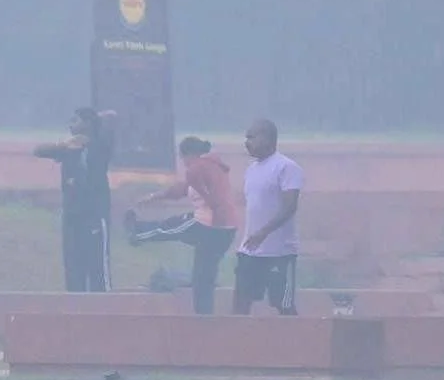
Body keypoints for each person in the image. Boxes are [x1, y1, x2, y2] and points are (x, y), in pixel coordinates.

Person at [123, 135, 241, 313]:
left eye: (182, 157)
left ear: (189, 154)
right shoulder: (212, 166)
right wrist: (154, 197)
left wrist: (215, 223)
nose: (182, 162)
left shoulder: (197, 169)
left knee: (172, 227)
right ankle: (204, 315)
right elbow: (184, 189)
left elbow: (214, 198)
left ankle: (137, 233)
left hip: (211, 226)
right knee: (203, 274)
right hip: (225, 229)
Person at [34, 106, 115, 292]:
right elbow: (38, 151)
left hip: (94, 215)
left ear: (88, 124)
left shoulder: (100, 146)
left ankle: (104, 309)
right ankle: (76, 307)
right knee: (73, 266)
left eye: (75, 120)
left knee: (97, 268)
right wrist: (65, 145)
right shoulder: (68, 148)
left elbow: (112, 119)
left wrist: (96, 119)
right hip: (72, 216)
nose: (70, 125)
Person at [233, 118, 303, 315]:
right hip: (250, 251)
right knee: (240, 303)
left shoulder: (287, 167)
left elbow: (290, 207)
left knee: (284, 304)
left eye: (251, 137)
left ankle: (296, 342)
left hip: (280, 252)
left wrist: (264, 232)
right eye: (246, 138)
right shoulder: (251, 169)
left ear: (267, 138)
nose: (247, 142)